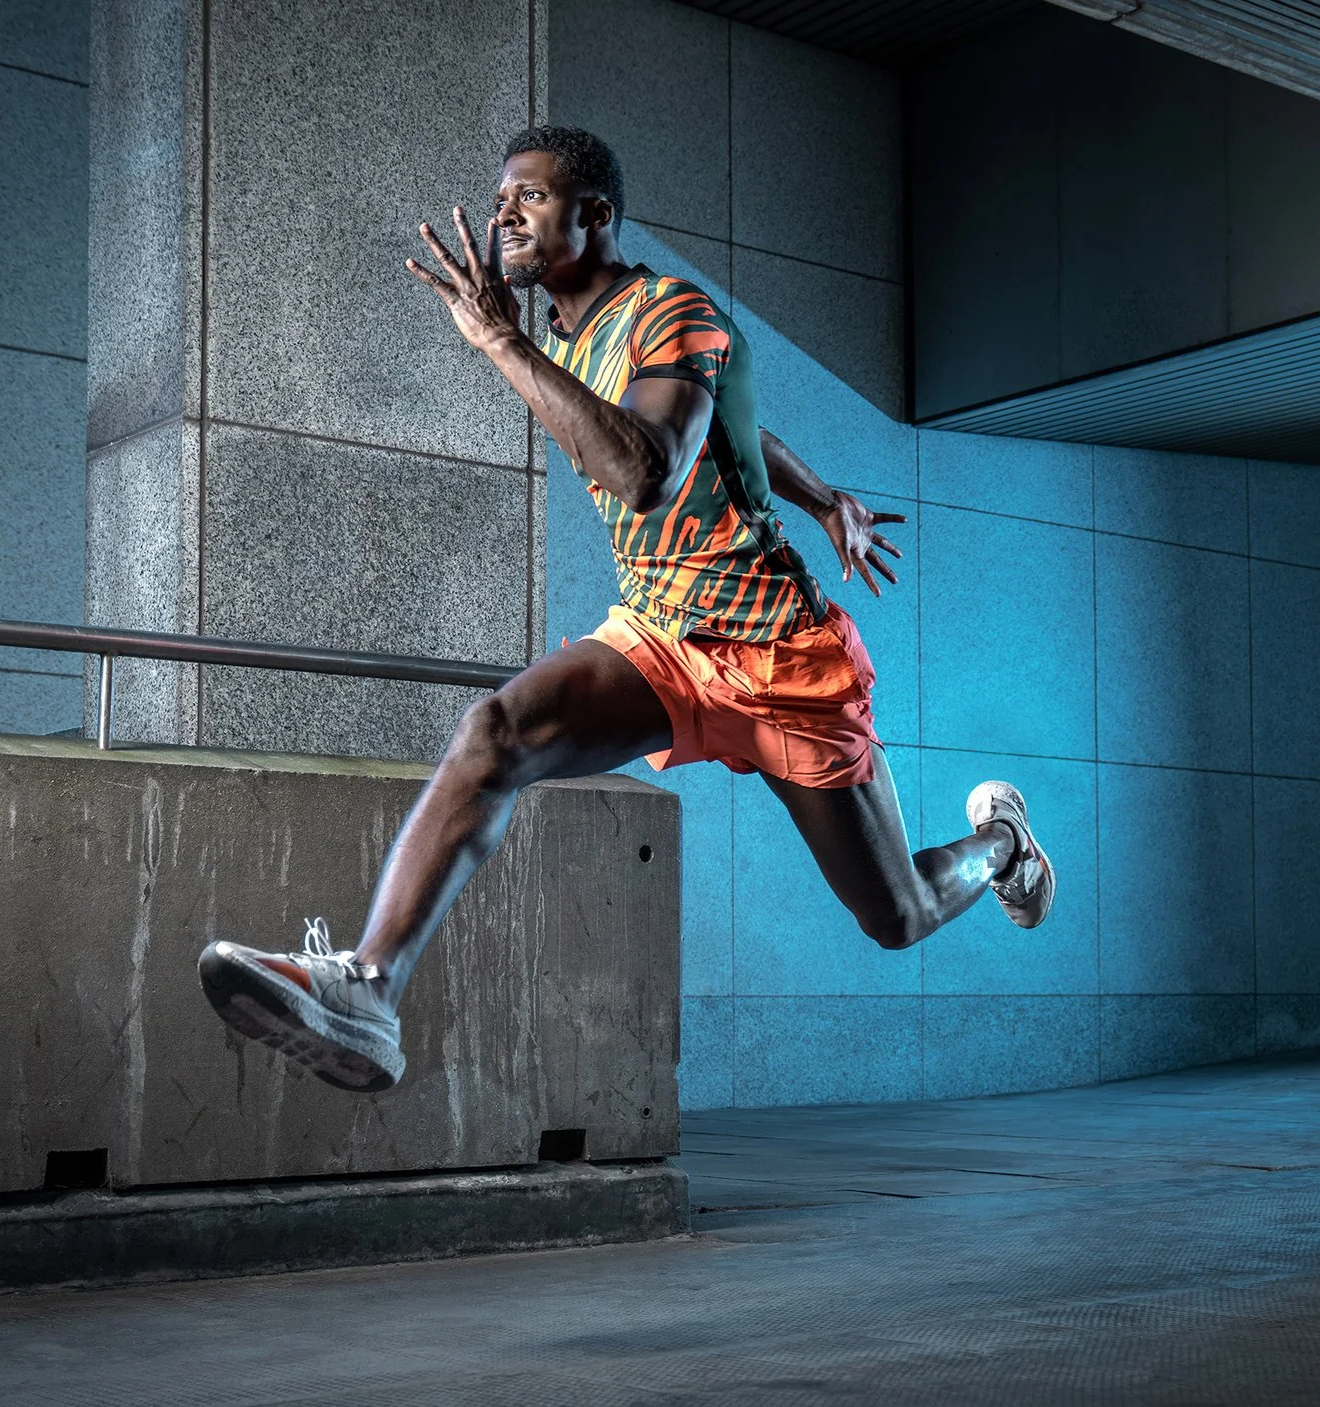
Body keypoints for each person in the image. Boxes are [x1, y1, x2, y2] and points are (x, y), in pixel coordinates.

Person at [197, 127, 1054, 1093]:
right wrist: (824, 499)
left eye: (529, 196)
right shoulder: (581, 337)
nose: (504, 215)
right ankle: (369, 989)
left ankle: (1001, 845)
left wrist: (499, 340)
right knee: (495, 735)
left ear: (594, 214)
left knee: (895, 915)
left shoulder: (673, 310)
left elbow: (648, 469)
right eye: (501, 199)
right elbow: (735, 422)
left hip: (782, 655)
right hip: (660, 635)